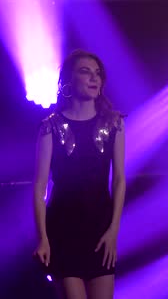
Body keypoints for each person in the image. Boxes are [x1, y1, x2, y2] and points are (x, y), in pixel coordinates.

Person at [32, 49, 126, 299]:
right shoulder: (50, 125)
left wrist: (113, 230)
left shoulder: (114, 123)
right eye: (85, 72)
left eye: (98, 74)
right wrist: (43, 239)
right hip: (63, 228)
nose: (94, 78)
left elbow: (118, 180)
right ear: (68, 81)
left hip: (100, 228)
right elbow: (40, 186)